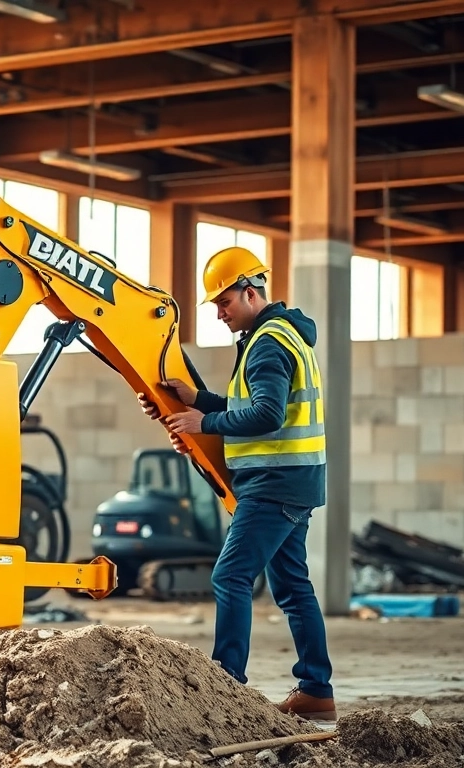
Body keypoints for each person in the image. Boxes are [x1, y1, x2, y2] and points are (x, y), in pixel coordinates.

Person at [137, 245, 336, 721]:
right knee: (292, 588)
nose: (219, 313)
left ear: (250, 292)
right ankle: (316, 691)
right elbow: (259, 403)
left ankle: (226, 687)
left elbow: (266, 414)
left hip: (274, 483)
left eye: (224, 302)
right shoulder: (281, 336)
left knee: (230, 576)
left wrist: (201, 423)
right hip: (294, 480)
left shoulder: (267, 342)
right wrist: (201, 401)